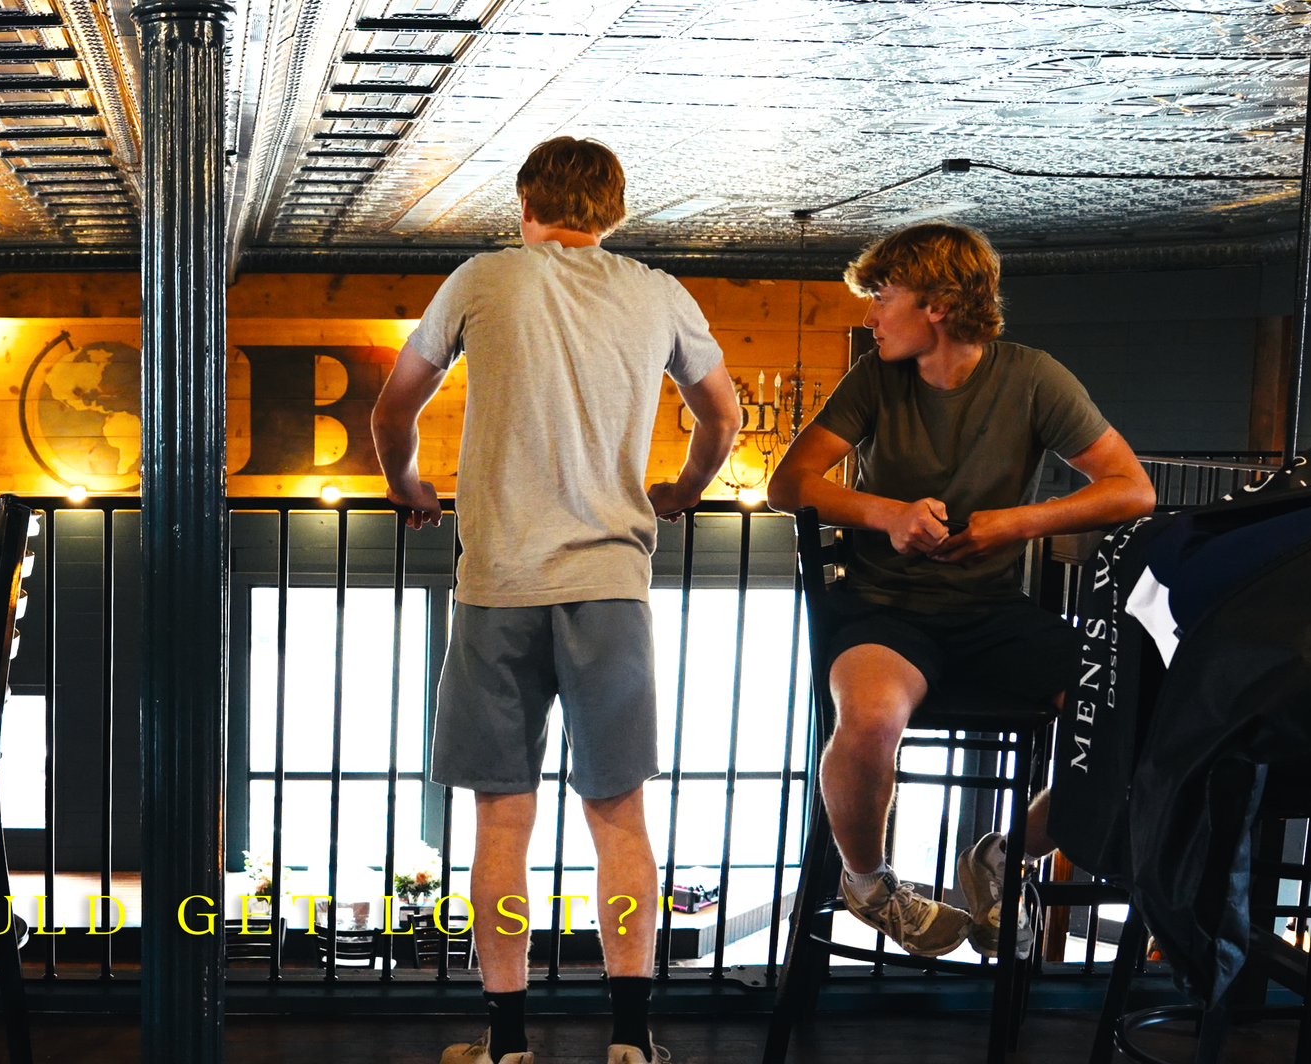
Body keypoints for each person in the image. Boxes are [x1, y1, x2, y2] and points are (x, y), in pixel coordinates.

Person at [374, 136, 743, 1064]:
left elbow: (394, 408)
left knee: (503, 818)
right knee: (618, 817)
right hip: (612, 586)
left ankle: (504, 1043)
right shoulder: (659, 292)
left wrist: (408, 485)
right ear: (610, 211)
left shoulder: (483, 279)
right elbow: (724, 416)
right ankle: (628, 1041)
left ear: (525, 205)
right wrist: (685, 489)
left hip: (498, 583)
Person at [766, 222, 1154, 959]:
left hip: (992, 614)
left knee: (1128, 714)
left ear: (938, 305)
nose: (870, 314)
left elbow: (1132, 490)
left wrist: (1017, 523)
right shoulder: (877, 377)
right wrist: (888, 514)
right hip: (883, 612)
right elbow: (788, 483)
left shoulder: (1035, 377)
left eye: (883, 296)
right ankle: (869, 885)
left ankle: (1007, 854)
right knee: (872, 720)